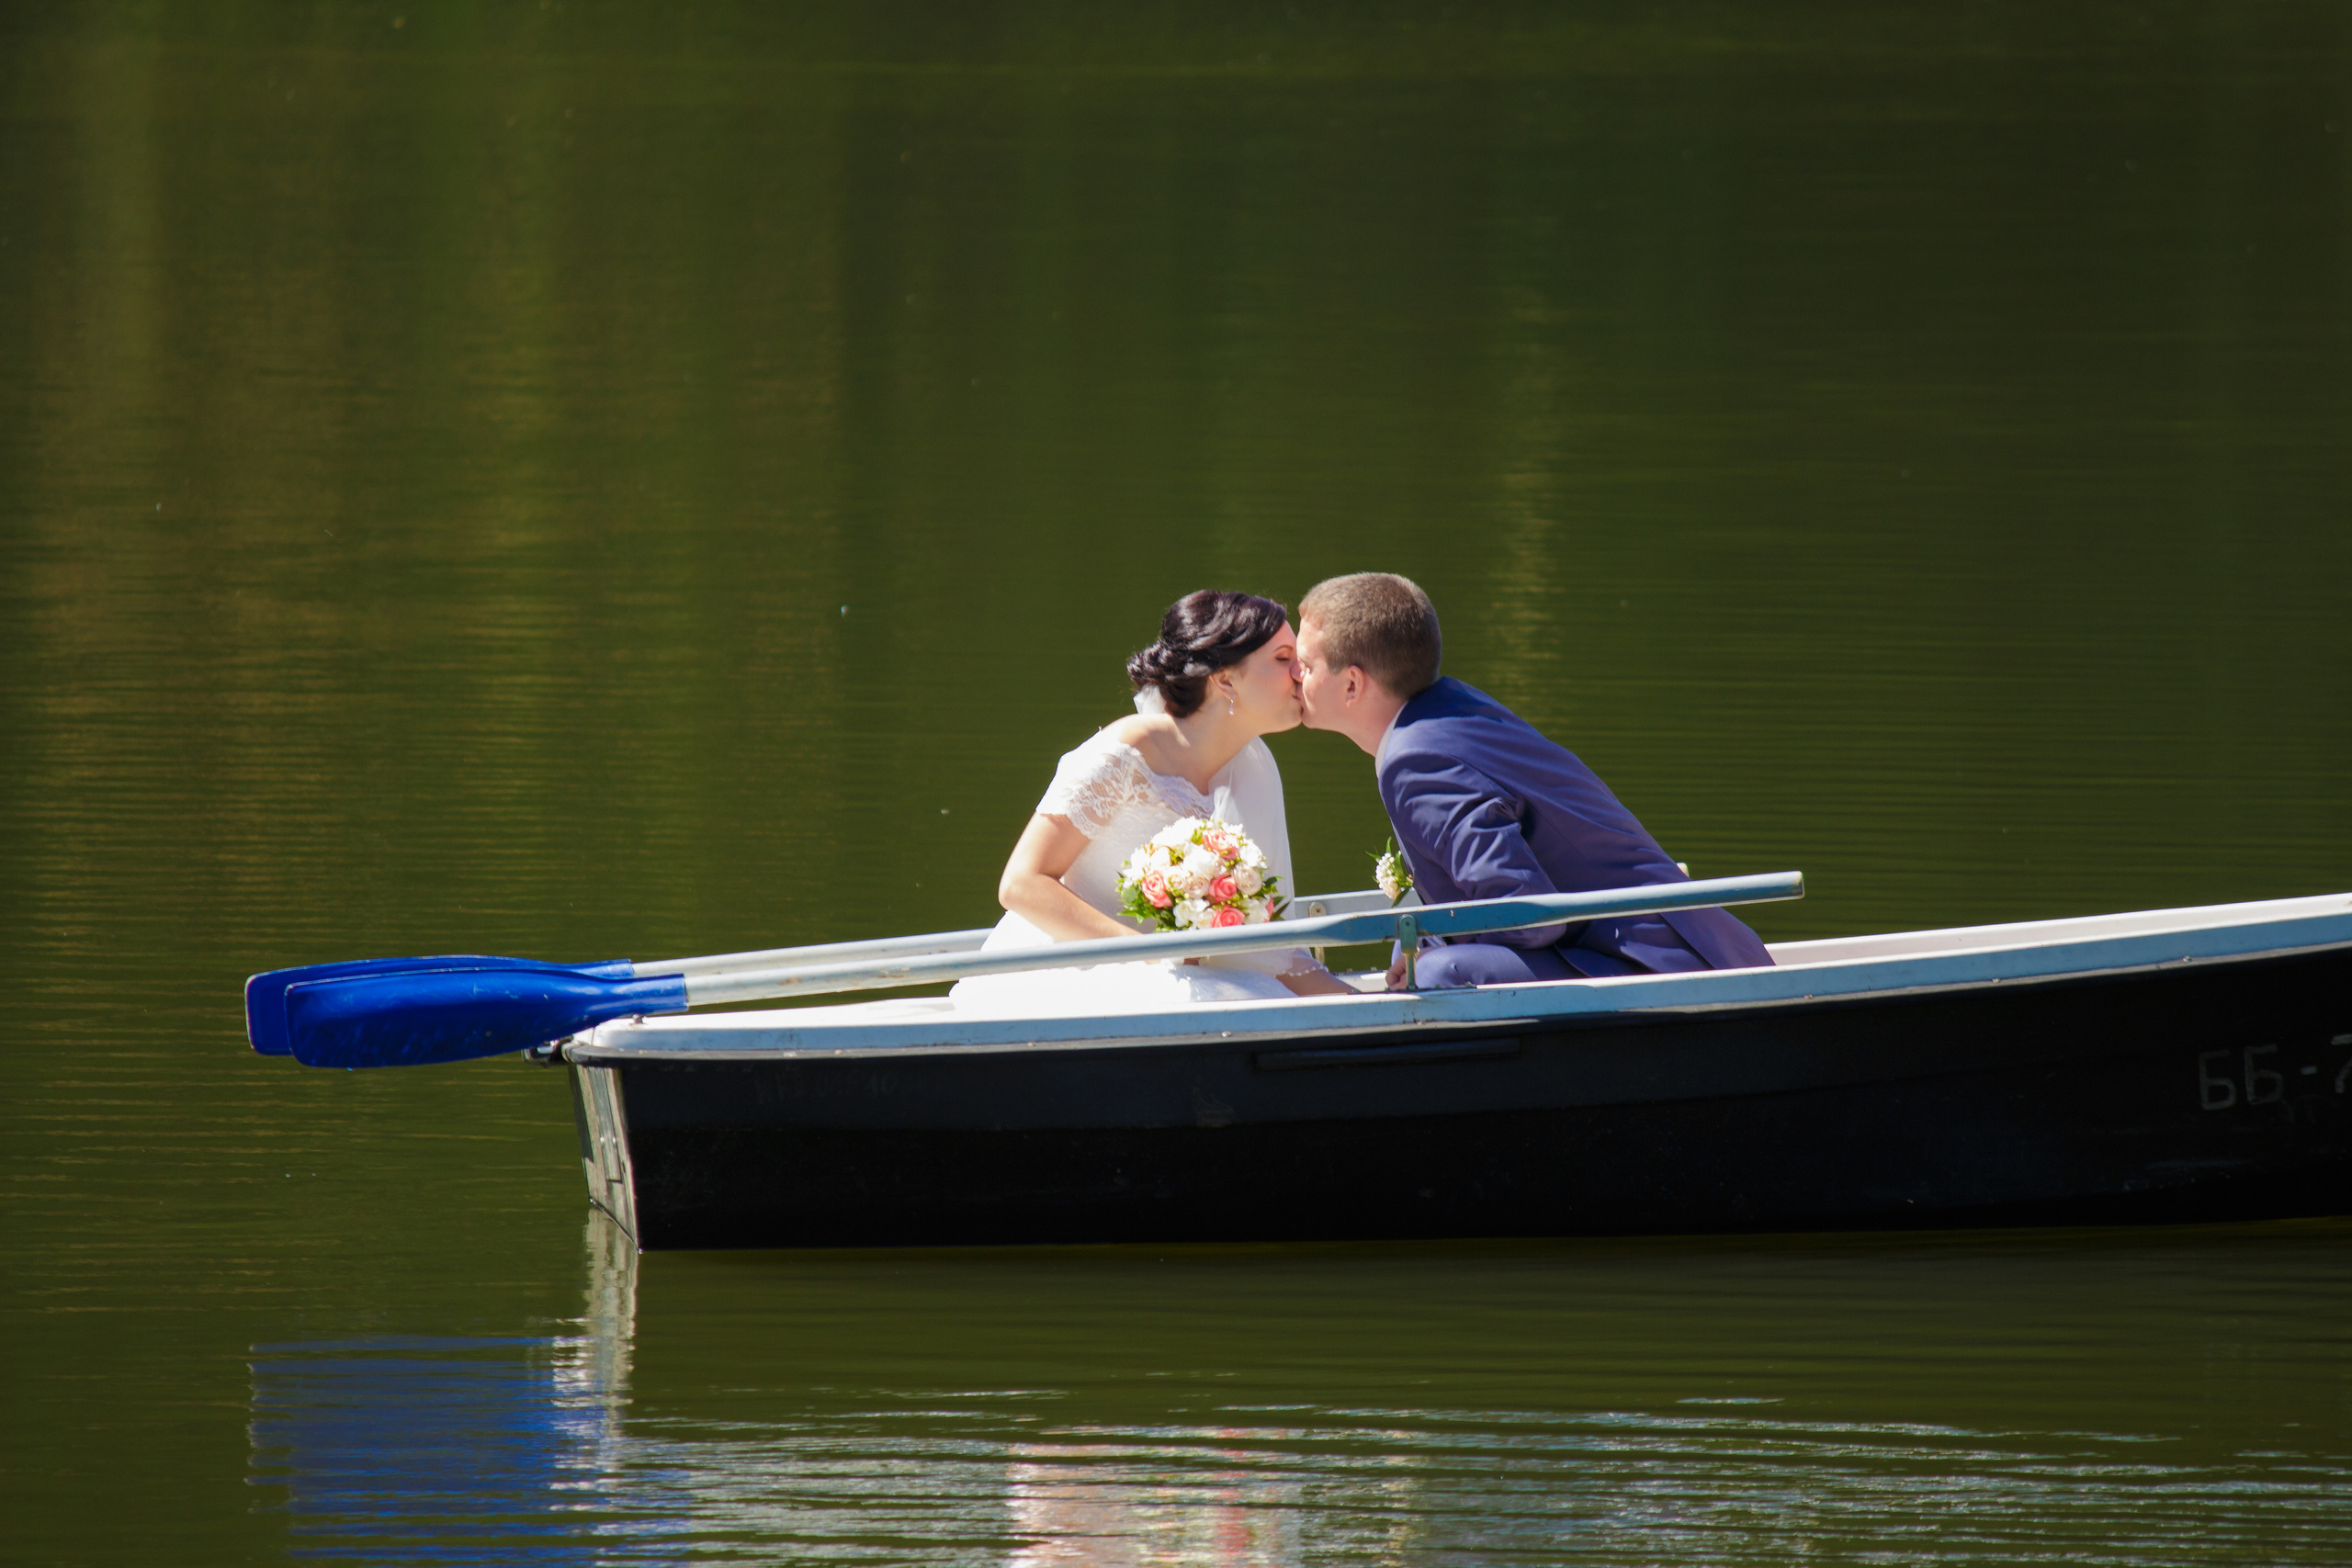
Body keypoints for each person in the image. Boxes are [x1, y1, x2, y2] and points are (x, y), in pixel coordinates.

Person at [1294, 571, 1774, 988]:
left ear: (1352, 684)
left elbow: (1527, 914)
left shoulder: (1414, 760)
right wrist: (1425, 934)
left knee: (1442, 973)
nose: (1296, 676)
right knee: (1425, 953)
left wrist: (1430, 943)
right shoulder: (1450, 706)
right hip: (1695, 943)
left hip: (1655, 966)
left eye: (1307, 665)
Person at [950, 591, 1351, 1014]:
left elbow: (1267, 943)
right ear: (1226, 679)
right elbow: (1021, 884)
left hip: (1182, 978)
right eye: (1283, 658)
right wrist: (1152, 957)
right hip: (1070, 971)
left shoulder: (1255, 766)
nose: (1299, 673)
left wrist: (1354, 1000)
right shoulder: (1126, 752)